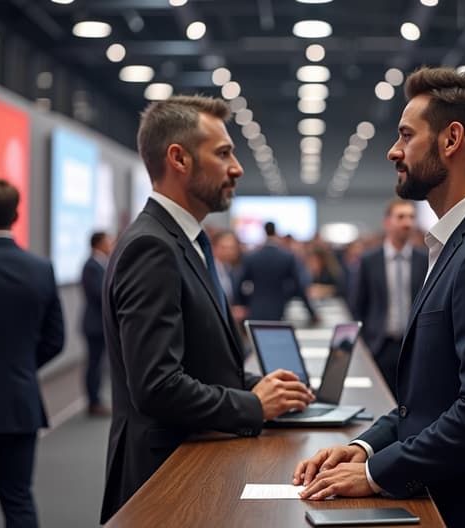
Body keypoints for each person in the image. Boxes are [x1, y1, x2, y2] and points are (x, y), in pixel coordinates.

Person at [293, 67, 465, 528]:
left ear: (451, 140)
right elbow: (431, 400)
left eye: (406, 135)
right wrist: (363, 447)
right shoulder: (462, 244)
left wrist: (373, 473)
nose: (393, 150)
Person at [99, 95, 314, 523]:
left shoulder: (185, 242)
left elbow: (197, 362)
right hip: (163, 478)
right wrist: (254, 405)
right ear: (178, 158)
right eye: (223, 153)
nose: (236, 167)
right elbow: (156, 385)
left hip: (194, 463)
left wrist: (262, 385)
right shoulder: (152, 246)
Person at [0, 179, 64, 528]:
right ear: (17, 214)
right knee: (18, 500)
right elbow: (55, 339)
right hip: (19, 402)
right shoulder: (41, 269)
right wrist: (20, 365)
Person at [349, 199, 427, 397]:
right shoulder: (369, 260)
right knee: (381, 400)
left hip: (415, 345)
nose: (407, 223)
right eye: (401, 217)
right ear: (387, 223)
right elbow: (359, 304)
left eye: (411, 217)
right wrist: (365, 340)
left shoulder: (425, 259)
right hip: (381, 345)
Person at [236, 221, 318, 322]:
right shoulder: (287, 257)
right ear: (275, 232)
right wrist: (311, 312)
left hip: (255, 308)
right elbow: (299, 286)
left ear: (264, 231)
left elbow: (240, 284)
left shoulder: (251, 257)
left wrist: (243, 304)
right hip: (279, 308)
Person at [81, 231, 114, 416]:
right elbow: (99, 293)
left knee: (99, 364)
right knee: (93, 365)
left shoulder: (101, 264)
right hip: (94, 325)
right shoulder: (91, 266)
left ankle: (96, 400)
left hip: (99, 324)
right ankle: (93, 402)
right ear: (99, 244)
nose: (110, 244)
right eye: (108, 241)